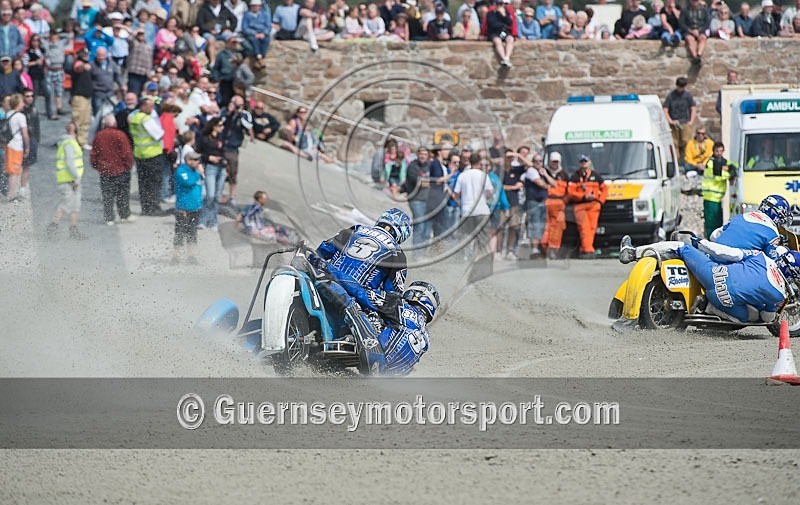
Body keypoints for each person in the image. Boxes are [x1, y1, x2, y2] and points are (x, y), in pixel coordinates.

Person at [619, 236, 800, 324]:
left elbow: (728, 253)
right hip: (722, 300)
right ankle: (707, 307)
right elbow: (767, 318)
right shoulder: (779, 293)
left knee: (681, 246)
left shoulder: (762, 257)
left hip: (713, 275)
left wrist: (701, 243)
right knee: (751, 315)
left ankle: (633, 252)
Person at [315, 207, 412, 314]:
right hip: (354, 299)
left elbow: (322, 250)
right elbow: (392, 295)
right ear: (403, 234)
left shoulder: (356, 229)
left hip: (324, 278)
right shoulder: (397, 254)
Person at [91, 114, 136, 225]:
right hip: (121, 169)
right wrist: (128, 165)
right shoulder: (120, 135)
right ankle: (124, 215)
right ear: (115, 123)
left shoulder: (99, 136)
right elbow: (127, 153)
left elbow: (94, 153)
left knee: (107, 195)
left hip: (105, 170)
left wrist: (97, 166)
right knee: (123, 193)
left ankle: (109, 217)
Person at [46, 122, 86, 240]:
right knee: (66, 204)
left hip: (71, 179)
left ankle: (73, 229)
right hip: (69, 180)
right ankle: (53, 227)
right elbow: (70, 162)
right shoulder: (69, 143)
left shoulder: (68, 143)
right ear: (75, 132)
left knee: (75, 205)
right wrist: (75, 178)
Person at [129, 97, 169, 216]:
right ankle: (154, 208)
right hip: (152, 154)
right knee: (154, 183)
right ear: (143, 106)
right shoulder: (146, 119)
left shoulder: (135, 118)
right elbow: (159, 134)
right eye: (150, 106)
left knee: (143, 183)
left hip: (140, 153)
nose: (152, 108)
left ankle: (145, 207)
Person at [567, 154, 607, 258]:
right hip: (580, 206)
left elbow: (604, 189)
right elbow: (570, 193)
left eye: (585, 161)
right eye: (582, 161)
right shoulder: (575, 176)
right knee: (584, 228)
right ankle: (588, 250)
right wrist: (584, 196)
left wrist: (600, 201)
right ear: (579, 163)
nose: (584, 163)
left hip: (594, 206)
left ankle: (585, 248)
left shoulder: (596, 175)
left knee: (592, 228)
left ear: (589, 162)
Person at [172, 149, 204, 264]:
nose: (197, 162)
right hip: (183, 208)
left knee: (192, 232)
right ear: (188, 160)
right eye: (195, 160)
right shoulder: (182, 171)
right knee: (180, 232)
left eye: (198, 160)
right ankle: (177, 256)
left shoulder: (195, 171)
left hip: (195, 207)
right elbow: (188, 182)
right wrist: (199, 174)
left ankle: (191, 256)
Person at [701, 142, 736, 238]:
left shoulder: (723, 162)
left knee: (718, 224)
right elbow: (718, 175)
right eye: (717, 151)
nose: (719, 153)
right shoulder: (711, 162)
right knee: (711, 224)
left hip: (717, 199)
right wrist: (729, 173)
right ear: (713, 151)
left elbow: (734, 166)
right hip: (710, 197)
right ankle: (709, 242)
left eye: (721, 151)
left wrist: (729, 168)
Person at [197, 117, 227, 230]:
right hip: (210, 168)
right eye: (220, 125)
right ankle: (202, 220)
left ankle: (213, 220)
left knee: (217, 197)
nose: (222, 128)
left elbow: (224, 152)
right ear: (214, 126)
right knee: (210, 195)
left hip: (222, 168)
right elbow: (197, 153)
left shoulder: (221, 138)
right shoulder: (204, 138)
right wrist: (209, 157)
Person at [542, 152, 570, 260]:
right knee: (545, 227)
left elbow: (568, 191)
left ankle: (553, 249)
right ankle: (544, 248)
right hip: (546, 202)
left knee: (557, 228)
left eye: (556, 162)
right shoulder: (544, 172)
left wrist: (564, 202)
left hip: (559, 203)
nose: (554, 164)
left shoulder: (564, 174)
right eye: (553, 161)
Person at [663, 77, 697, 162]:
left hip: (685, 123)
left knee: (687, 142)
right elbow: (665, 109)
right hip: (673, 123)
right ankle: (675, 162)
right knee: (674, 144)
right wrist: (670, 121)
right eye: (679, 86)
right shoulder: (671, 96)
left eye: (682, 87)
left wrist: (691, 122)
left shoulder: (688, 96)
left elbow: (693, 108)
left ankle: (687, 162)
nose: (681, 89)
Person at [3, 93, 28, 202]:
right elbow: (25, 133)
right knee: (15, 171)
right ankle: (11, 195)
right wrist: (27, 146)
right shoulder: (20, 116)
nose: (23, 104)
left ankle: (9, 192)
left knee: (10, 169)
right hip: (16, 146)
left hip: (7, 145)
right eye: (22, 102)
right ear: (18, 103)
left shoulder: (8, 114)